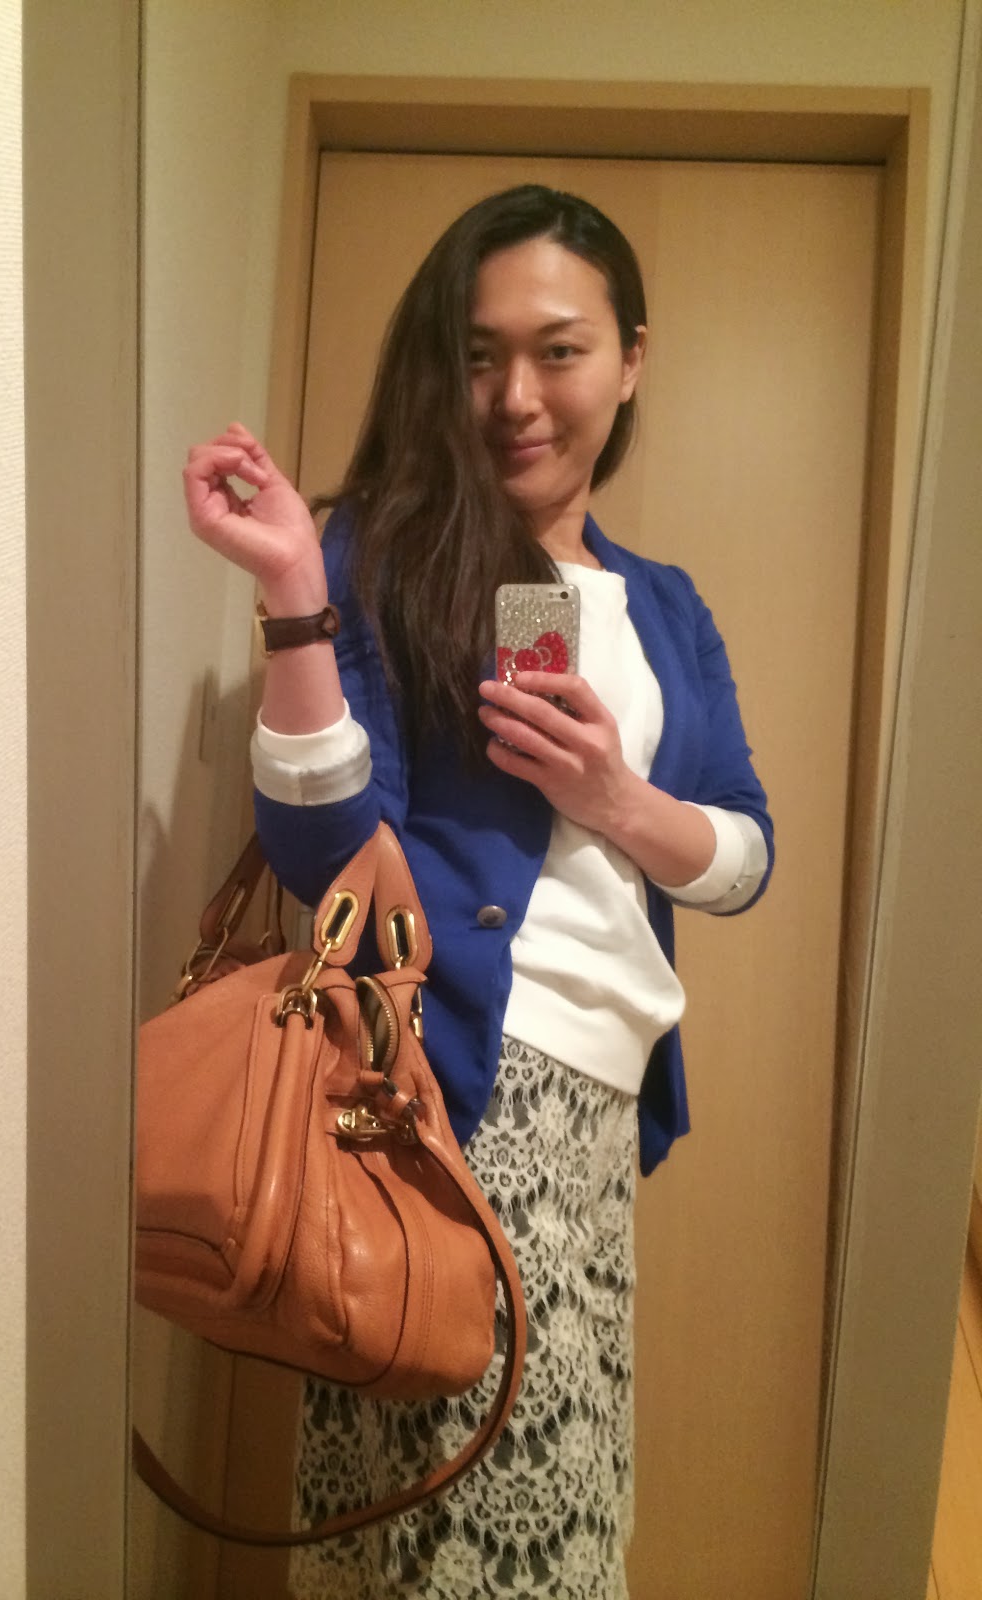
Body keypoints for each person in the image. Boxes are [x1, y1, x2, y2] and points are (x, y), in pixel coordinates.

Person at [183, 185, 773, 1600]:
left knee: (551, 1519)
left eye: (559, 351)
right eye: (477, 355)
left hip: (599, 1121)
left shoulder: (667, 605)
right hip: (441, 1090)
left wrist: (614, 799)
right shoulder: (375, 554)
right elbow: (323, 852)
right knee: (449, 1536)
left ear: (630, 360)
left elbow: (745, 855)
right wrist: (294, 588)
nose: (516, 397)